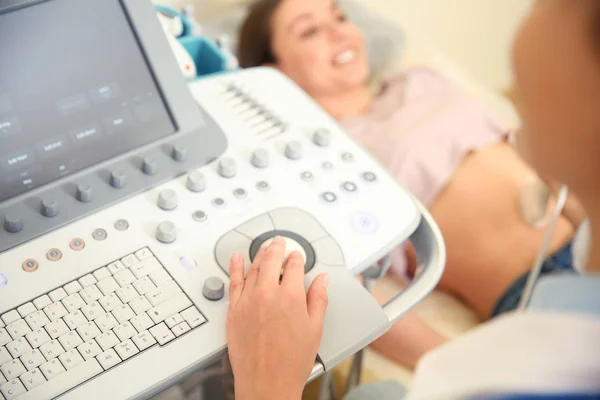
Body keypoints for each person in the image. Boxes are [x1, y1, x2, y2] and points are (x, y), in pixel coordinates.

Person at [226, 0, 600, 397]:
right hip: (534, 285)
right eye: (309, 31)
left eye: (339, 17)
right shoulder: (317, 159)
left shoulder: (421, 79)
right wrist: (457, 362)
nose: (339, 31)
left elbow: (554, 156)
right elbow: (350, 289)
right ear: (273, 74)